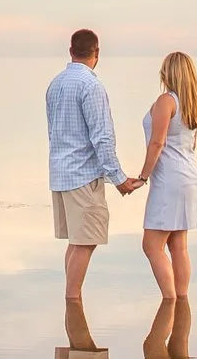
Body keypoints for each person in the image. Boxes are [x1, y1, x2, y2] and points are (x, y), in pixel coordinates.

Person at [48, 28, 136, 301]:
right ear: (96, 52)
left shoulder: (56, 83)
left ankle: (71, 300)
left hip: (61, 173)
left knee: (78, 242)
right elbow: (102, 136)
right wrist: (119, 178)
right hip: (83, 175)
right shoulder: (91, 86)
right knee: (86, 241)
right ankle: (72, 300)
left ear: (71, 51)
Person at [131, 51, 197, 298]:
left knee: (151, 246)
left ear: (168, 73)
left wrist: (142, 177)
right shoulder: (191, 104)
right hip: (189, 177)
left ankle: (170, 300)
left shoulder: (166, 101)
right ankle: (181, 301)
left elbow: (157, 143)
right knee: (178, 245)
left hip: (169, 180)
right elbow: (191, 145)